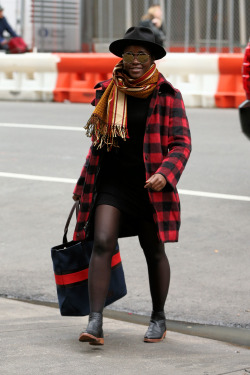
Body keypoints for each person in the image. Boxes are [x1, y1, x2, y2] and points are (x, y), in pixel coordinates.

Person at [72, 26, 191, 345]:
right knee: (102, 242)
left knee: (153, 251)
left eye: (141, 54)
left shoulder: (168, 95)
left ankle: (158, 317)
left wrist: (165, 173)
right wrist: (83, 184)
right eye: (129, 54)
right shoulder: (107, 90)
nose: (134, 60)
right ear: (121, 57)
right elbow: (98, 143)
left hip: (151, 188)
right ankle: (94, 321)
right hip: (113, 183)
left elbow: (182, 144)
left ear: (152, 58)